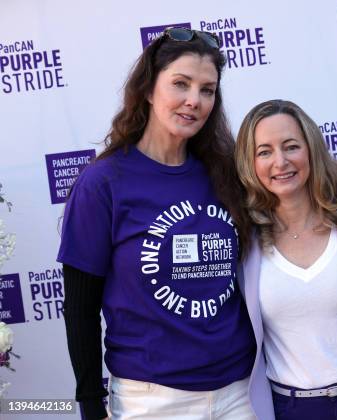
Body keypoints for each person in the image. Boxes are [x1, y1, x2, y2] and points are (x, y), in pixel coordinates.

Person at [58, 28, 261, 420]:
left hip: (241, 390)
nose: (194, 101)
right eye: (180, 84)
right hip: (151, 399)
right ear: (149, 90)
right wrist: (88, 401)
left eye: (207, 90)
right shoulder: (104, 183)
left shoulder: (225, 172)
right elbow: (80, 308)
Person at [234, 99, 337, 420]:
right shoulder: (242, 241)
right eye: (264, 152)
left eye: (291, 146)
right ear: (250, 163)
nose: (280, 162)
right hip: (294, 409)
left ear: (311, 150)